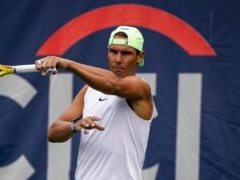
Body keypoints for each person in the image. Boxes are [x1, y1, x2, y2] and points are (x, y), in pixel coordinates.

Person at [36, 26, 158, 180]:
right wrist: (74, 126)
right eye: (113, 51)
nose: (118, 59)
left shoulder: (140, 87)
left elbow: (115, 85)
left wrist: (68, 64)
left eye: (126, 53)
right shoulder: (89, 90)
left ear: (140, 57)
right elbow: (52, 133)